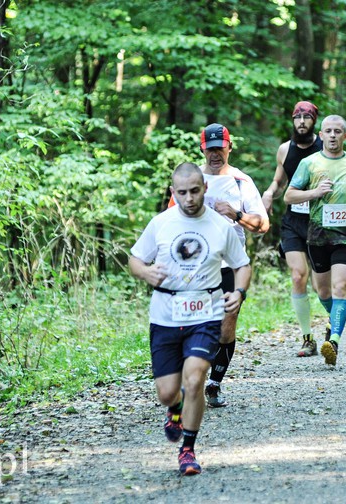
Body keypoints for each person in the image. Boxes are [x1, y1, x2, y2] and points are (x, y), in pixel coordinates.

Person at [129, 162, 251, 476]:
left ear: (205, 189)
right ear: (173, 193)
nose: (189, 198)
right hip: (165, 315)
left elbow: (242, 264)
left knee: (195, 379)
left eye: (195, 191)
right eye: (182, 192)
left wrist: (239, 292)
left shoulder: (221, 225)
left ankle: (188, 450)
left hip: (206, 313)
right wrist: (146, 272)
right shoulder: (161, 223)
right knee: (168, 392)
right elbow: (135, 259)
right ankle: (174, 407)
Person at [182, 123, 268, 407]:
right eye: (210, 148)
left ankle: (214, 383)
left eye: (221, 148)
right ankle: (192, 378)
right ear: (202, 149)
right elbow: (171, 217)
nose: (215, 153)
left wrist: (236, 213)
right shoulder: (190, 179)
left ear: (230, 148)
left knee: (226, 326)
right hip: (195, 265)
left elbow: (263, 225)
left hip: (231, 265)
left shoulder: (242, 182)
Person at [284, 115, 346, 366]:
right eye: (328, 131)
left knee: (340, 288)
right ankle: (334, 318)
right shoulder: (309, 163)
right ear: (321, 135)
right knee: (323, 291)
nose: (333, 135)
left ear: (345, 136)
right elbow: (289, 196)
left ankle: (333, 341)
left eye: (338, 131)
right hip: (316, 237)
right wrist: (315, 192)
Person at [262, 101, 324, 357]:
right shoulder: (284, 150)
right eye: (297, 117)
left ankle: (333, 330)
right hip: (293, 222)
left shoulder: (325, 146)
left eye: (306, 117)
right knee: (299, 275)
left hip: (321, 221)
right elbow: (279, 181)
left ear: (314, 121)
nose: (301, 121)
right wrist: (268, 194)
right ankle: (307, 338)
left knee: (323, 286)